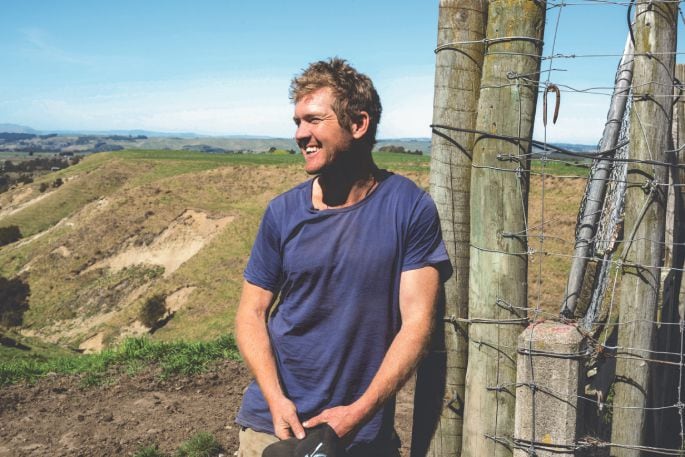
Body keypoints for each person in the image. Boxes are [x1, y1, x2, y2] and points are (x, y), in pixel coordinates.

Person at [234, 57, 452, 457]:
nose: (301, 134)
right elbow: (250, 313)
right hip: (273, 428)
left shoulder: (409, 208)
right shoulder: (282, 213)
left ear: (358, 124)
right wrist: (276, 399)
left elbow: (418, 322)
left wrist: (358, 413)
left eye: (314, 120)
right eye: (297, 122)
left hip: (359, 435)